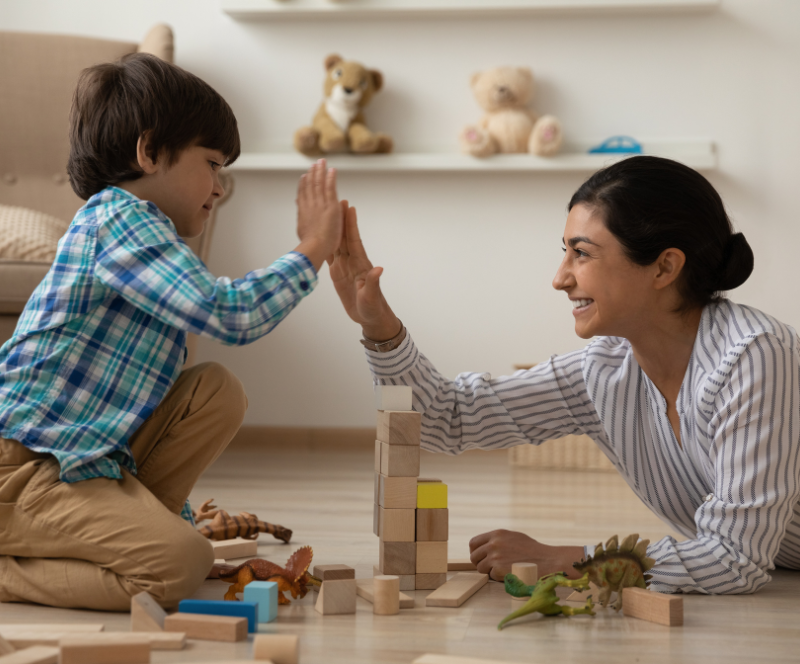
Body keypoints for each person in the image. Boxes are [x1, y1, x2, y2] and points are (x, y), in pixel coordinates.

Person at [331, 155, 800, 594]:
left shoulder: (752, 356)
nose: (560, 277)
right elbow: (445, 419)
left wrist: (568, 560)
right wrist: (378, 327)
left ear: (664, 267)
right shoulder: (605, 368)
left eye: (582, 253)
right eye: (566, 252)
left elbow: (734, 557)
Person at [0, 53, 343, 610]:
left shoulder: (147, 237)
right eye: (212, 163)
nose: (220, 186)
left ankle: (146, 536)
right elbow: (229, 314)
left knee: (214, 390)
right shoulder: (120, 217)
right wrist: (311, 251)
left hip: (79, 461)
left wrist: (174, 524)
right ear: (150, 151)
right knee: (178, 569)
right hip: (24, 469)